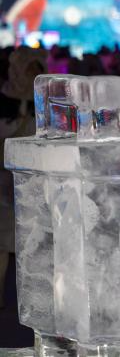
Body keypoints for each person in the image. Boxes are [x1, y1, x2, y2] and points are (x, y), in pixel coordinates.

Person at [0, 48, 47, 303]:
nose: (33, 75)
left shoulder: (46, 101)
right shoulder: (5, 98)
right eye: (29, 69)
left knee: (32, 242)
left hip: (34, 180)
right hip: (5, 181)